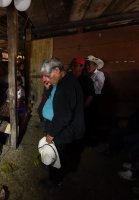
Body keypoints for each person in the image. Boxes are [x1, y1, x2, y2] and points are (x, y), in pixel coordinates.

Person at [40, 58, 85, 186]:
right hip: (57, 126)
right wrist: (48, 89)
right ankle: (54, 173)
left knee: (56, 155)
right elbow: (54, 99)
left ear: (57, 70)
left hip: (62, 130)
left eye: (48, 76)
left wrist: (51, 134)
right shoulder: (62, 80)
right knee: (56, 153)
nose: (46, 79)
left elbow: (64, 116)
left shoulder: (66, 86)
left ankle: (54, 180)